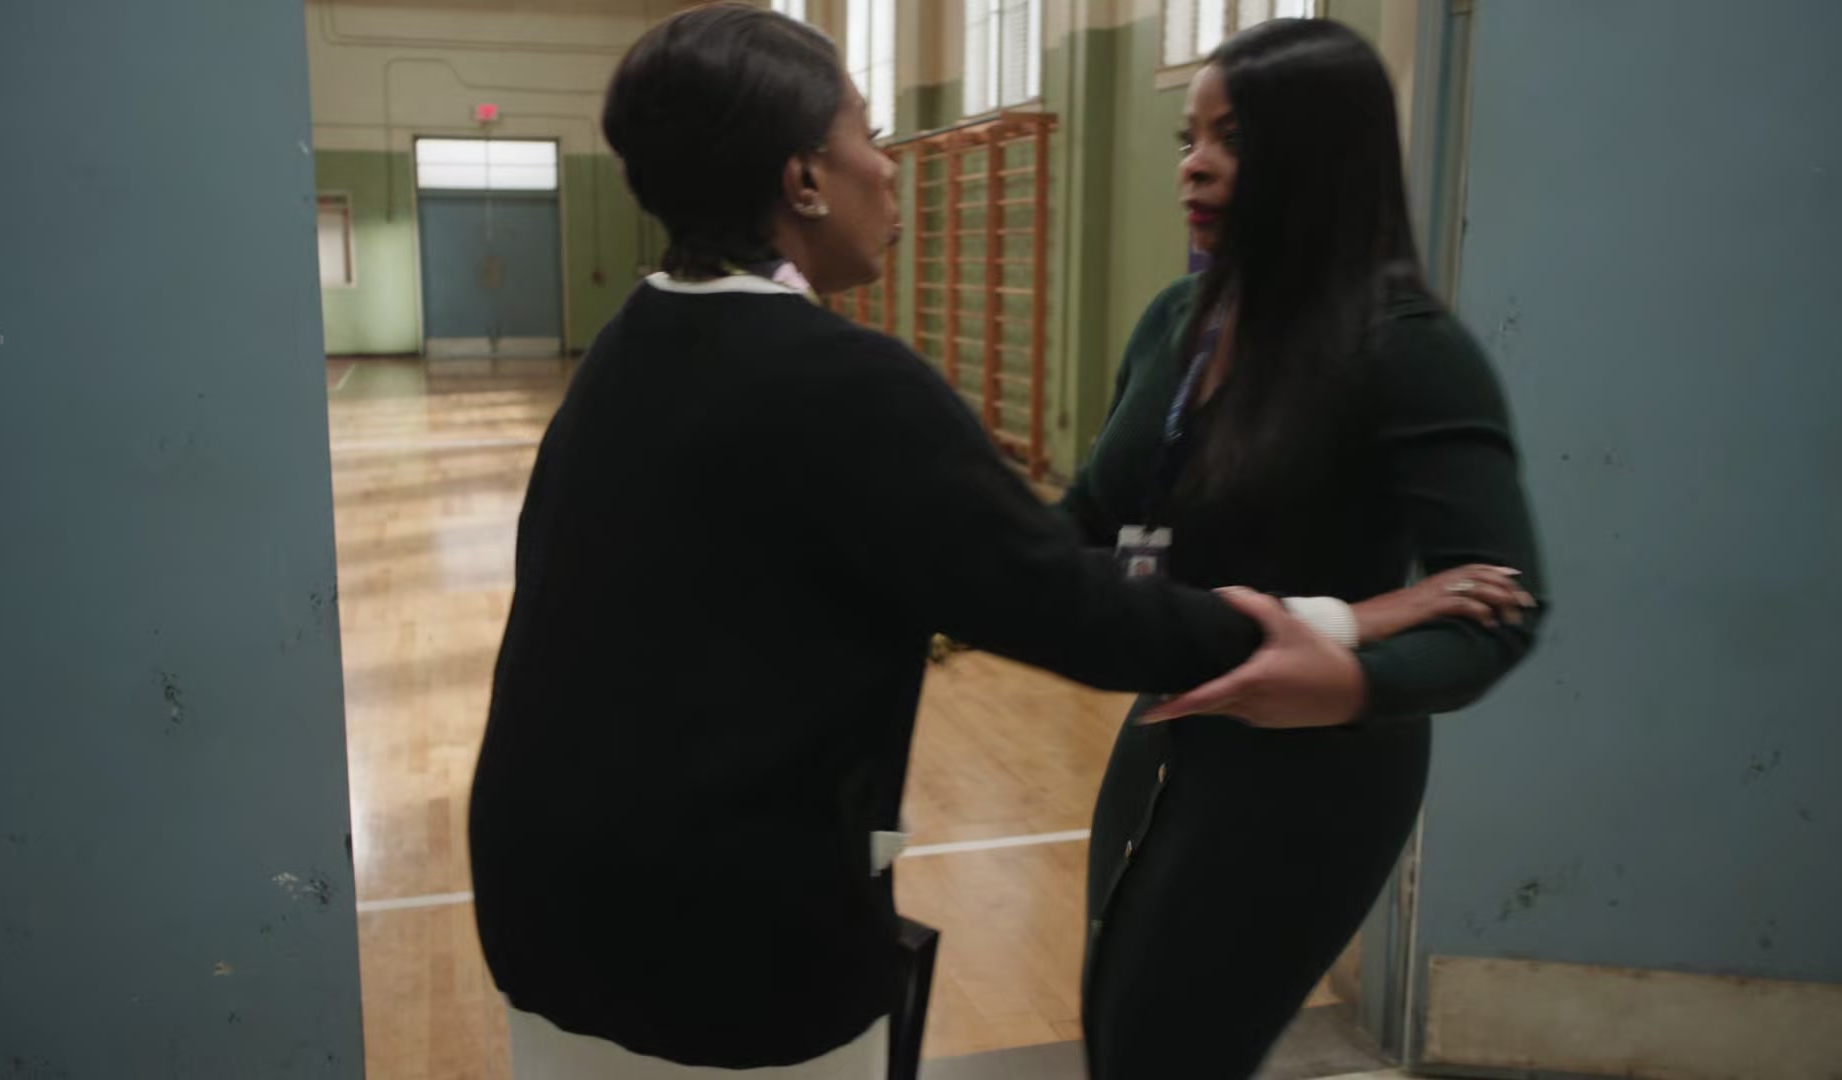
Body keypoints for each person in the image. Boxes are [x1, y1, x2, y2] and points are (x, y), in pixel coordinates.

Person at [465, 6, 1370, 1077]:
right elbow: (1063, 609)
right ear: (805, 179)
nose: (888, 167)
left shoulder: (631, 345)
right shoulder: (844, 382)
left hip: (546, 902)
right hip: (726, 939)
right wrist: (1318, 626)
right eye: (869, 134)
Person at [1060, 18, 1546, 1079]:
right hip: (1174, 724)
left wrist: (1355, 679)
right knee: (1122, 1024)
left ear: (1321, 154)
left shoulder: (1409, 349)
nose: (1194, 164)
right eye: (1189, 138)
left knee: (1172, 1049)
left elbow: (1506, 607)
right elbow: (1091, 520)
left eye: (1231, 139)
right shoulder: (1175, 321)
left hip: (1317, 768)